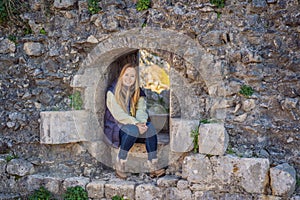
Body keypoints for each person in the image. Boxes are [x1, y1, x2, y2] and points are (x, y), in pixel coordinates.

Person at [104, 63, 165, 179]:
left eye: (132, 76)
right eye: (126, 75)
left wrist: (141, 123)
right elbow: (118, 115)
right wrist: (136, 123)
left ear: (136, 78)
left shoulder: (138, 92)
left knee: (150, 127)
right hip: (117, 129)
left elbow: (141, 110)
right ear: (121, 76)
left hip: (134, 126)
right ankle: (120, 162)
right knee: (132, 129)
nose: (129, 78)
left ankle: (153, 165)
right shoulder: (112, 91)